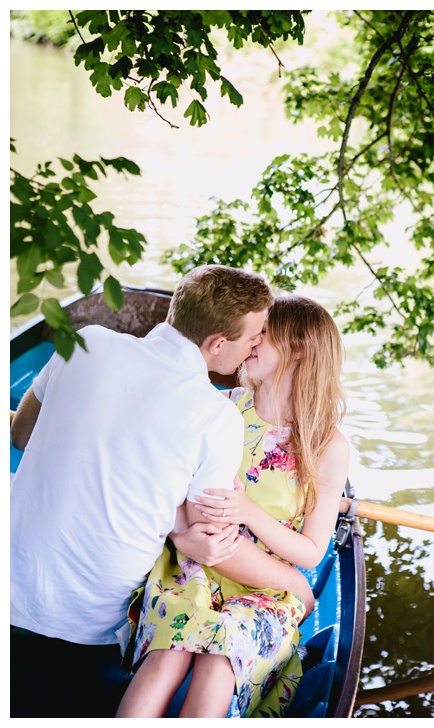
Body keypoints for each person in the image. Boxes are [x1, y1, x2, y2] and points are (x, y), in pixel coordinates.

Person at [10, 265, 314, 717]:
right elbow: (214, 545)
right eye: (253, 337)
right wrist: (294, 582)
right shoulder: (216, 416)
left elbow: (20, 435)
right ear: (217, 345)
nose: (256, 345)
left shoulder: (87, 341)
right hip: (86, 635)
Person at [116, 294, 350, 718]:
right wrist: (178, 533)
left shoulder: (326, 446)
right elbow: (165, 488)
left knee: (220, 661)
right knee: (171, 651)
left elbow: (313, 552)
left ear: (297, 349)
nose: (251, 342)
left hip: (267, 587)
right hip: (197, 562)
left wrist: (247, 512)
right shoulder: (221, 409)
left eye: (264, 334)